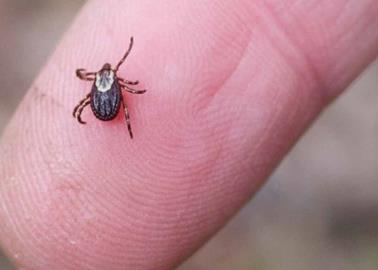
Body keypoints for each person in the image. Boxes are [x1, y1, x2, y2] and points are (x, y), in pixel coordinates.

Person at [0, 0, 377, 269]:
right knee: (125, 105)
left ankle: (120, 123)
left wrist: (90, 109)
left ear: (108, 79)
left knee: (121, 106)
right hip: (109, 110)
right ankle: (123, 124)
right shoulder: (117, 83)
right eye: (105, 77)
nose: (106, 78)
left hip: (105, 109)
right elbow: (118, 94)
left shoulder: (103, 84)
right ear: (107, 78)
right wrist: (109, 105)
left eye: (107, 77)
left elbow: (93, 99)